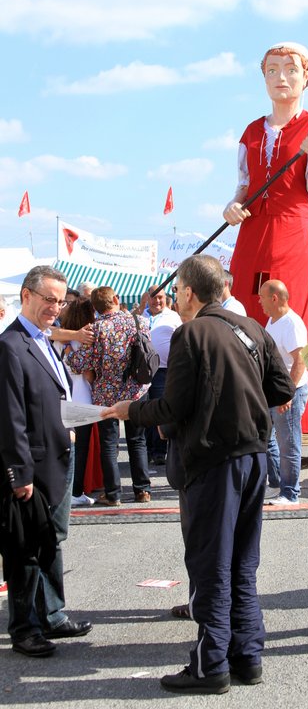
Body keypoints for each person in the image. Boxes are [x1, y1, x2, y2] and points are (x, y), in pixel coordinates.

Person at [101, 255, 294, 695]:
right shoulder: (251, 328)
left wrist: (131, 409)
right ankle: (247, 655)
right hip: (253, 458)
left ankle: (211, 666)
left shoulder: (193, 333)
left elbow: (173, 408)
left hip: (214, 462)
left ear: (188, 292)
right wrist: (240, 399)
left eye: (179, 290)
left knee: (210, 564)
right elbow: (280, 388)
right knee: (242, 562)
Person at [223, 41, 308, 434]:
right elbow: (243, 185)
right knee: (247, 312)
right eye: (272, 70)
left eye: (290, 69)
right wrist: (232, 207)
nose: (281, 78)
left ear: (306, 77)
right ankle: (243, 403)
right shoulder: (252, 131)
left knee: (301, 317)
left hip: (294, 231)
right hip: (254, 233)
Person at [0, 265, 92, 657]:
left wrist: (67, 424)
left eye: (60, 300)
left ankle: (52, 615)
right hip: (31, 469)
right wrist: (18, 474)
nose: (55, 308)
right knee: (25, 551)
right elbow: (10, 417)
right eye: (48, 300)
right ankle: (24, 628)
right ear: (26, 296)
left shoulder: (43, 339)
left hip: (58, 458)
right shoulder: (10, 345)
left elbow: (51, 397)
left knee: (51, 542)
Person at [66, 286, 152, 506]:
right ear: (116, 298)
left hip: (106, 393)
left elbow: (80, 364)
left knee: (109, 444)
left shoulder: (97, 328)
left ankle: (113, 493)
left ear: (95, 307)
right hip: (136, 390)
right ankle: (142, 490)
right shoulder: (139, 322)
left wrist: (68, 353)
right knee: (137, 440)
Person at [259, 279, 308, 505]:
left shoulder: (291, 323)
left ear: (274, 298)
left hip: (290, 393)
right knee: (274, 440)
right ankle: (280, 485)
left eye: (262, 297)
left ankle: (290, 493)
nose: (259, 301)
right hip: (276, 393)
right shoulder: (273, 320)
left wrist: (287, 393)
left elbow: (301, 358)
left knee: (288, 443)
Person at [60, 298, 97, 507]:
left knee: (64, 449)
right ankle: (75, 492)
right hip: (83, 398)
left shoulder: (59, 338)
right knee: (80, 450)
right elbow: (89, 375)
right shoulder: (86, 341)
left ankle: (66, 492)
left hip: (63, 399)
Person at [145, 284, 181, 465]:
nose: (156, 301)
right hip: (143, 372)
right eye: (153, 297)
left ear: (165, 298)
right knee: (144, 411)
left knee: (159, 410)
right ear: (147, 298)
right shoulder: (139, 317)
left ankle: (159, 452)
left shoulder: (174, 317)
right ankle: (147, 450)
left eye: (160, 297)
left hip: (164, 370)